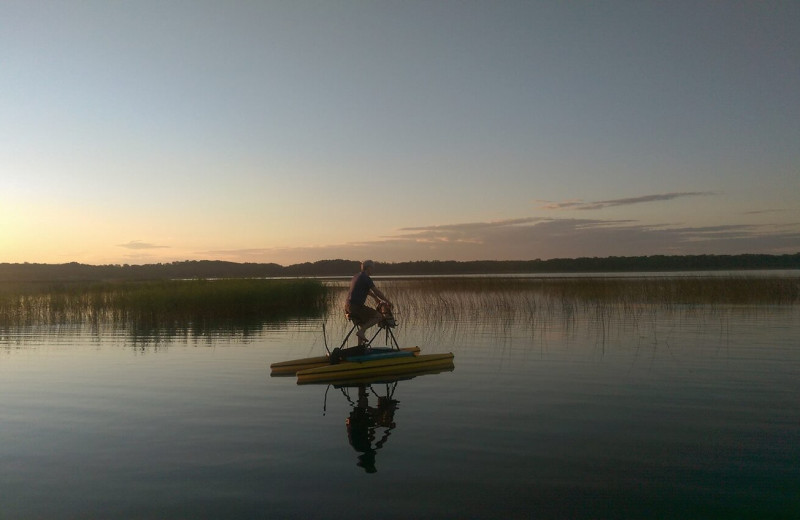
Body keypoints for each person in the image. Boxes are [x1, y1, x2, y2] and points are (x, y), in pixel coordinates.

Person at [345, 260, 391, 345]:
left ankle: (360, 347)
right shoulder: (366, 278)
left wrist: (375, 298)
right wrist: (387, 301)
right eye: (373, 268)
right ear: (369, 268)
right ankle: (361, 332)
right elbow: (376, 291)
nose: (373, 270)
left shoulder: (356, 276)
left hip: (348, 307)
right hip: (356, 307)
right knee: (379, 317)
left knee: (362, 324)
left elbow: (365, 290)